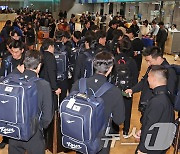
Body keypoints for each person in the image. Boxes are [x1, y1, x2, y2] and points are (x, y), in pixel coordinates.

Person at [72, 51, 125, 154]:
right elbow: (119, 120)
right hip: (101, 137)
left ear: (93, 65)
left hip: (81, 133)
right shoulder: (114, 91)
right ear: (110, 69)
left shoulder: (79, 83)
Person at [8, 49, 53, 154]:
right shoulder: (43, 85)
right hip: (34, 133)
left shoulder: (12, 80)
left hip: (14, 131)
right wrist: (39, 127)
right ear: (39, 66)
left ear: (24, 63)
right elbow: (47, 117)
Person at [125, 46, 177, 115]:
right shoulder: (152, 68)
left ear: (158, 58)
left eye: (149, 61)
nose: (148, 64)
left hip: (157, 109)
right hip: (147, 105)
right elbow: (144, 82)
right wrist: (132, 90)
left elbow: (170, 94)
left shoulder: (169, 72)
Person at [136, 65, 175, 154]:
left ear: (154, 79)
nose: (147, 80)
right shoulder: (167, 95)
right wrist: (142, 130)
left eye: (148, 77)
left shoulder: (157, 101)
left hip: (152, 146)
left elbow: (150, 125)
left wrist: (143, 149)